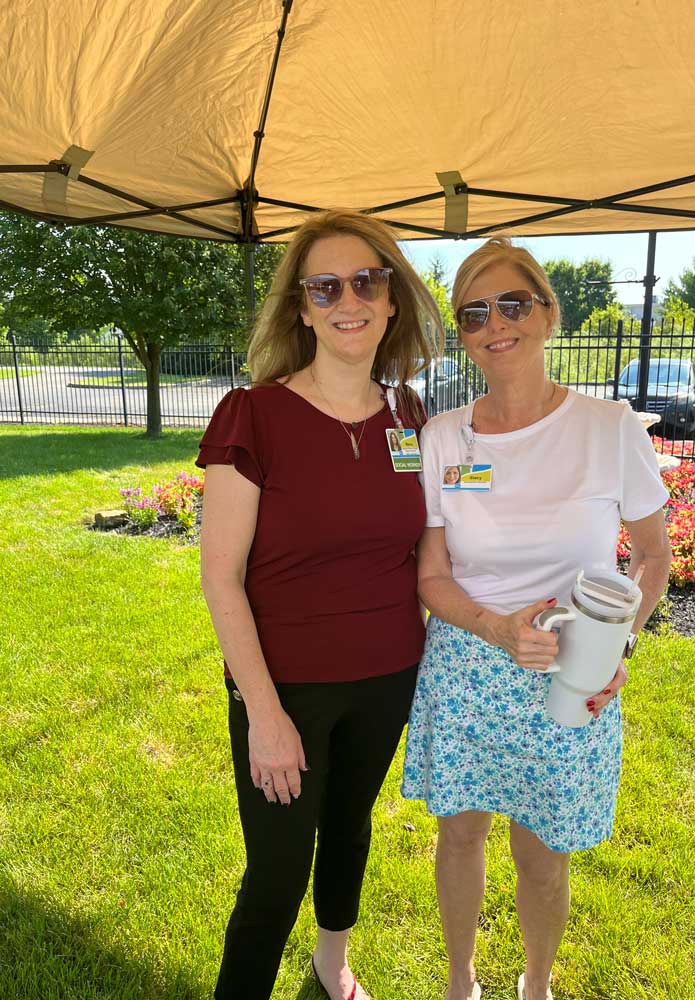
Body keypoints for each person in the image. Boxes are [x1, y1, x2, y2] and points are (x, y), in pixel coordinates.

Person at [401, 238, 672, 1000]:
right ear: (462, 332)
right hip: (466, 662)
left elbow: (652, 556)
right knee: (459, 834)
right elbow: (432, 574)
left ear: (548, 314)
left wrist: (615, 647)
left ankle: (537, 985)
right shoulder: (443, 436)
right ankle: (460, 981)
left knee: (543, 851)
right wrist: (492, 627)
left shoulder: (608, 426)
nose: (496, 325)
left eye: (512, 304)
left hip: (570, 673)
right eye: (474, 313)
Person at [198, 209, 443, 1000]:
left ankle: (332, 962)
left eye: (367, 281)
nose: (350, 299)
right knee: (275, 872)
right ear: (301, 307)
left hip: (389, 675)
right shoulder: (255, 415)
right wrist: (264, 716)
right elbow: (221, 579)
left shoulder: (410, 417)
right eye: (326, 286)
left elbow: (438, 542)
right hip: (287, 687)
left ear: (393, 298)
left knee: (349, 828)